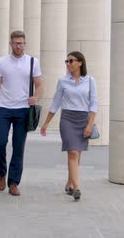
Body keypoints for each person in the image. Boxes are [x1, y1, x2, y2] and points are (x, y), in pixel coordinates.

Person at [0, 30, 44, 196]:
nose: (18, 46)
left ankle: (13, 182)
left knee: (18, 147)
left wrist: (36, 97)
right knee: (0, 143)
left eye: (21, 43)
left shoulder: (32, 62)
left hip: (23, 110)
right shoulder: (2, 62)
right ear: (10, 44)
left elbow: (40, 84)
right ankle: (2, 172)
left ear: (24, 44)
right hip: (3, 108)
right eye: (15, 43)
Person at [40, 51, 98, 201]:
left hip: (83, 119)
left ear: (80, 63)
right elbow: (55, 103)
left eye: (71, 61)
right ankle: (77, 188)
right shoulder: (63, 81)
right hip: (67, 119)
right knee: (72, 152)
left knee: (77, 154)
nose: (68, 64)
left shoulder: (90, 81)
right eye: (66, 61)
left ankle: (69, 183)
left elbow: (94, 104)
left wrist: (90, 125)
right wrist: (45, 123)